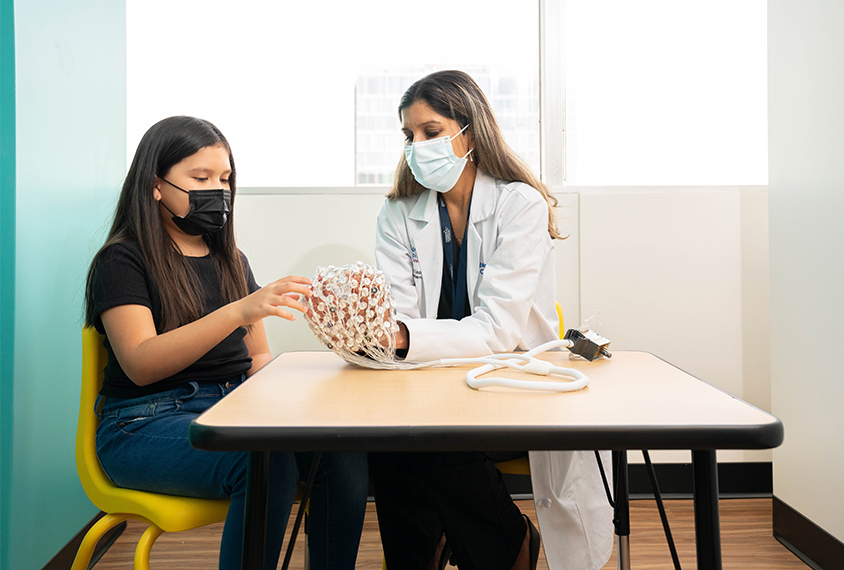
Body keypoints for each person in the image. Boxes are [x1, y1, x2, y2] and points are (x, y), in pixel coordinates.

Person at [83, 116, 368, 570]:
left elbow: (256, 359)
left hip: (232, 408)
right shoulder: (121, 259)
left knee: (339, 450)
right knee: (266, 463)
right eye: (200, 178)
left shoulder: (232, 260)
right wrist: (238, 311)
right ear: (155, 185)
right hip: (141, 424)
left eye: (225, 178)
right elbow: (140, 363)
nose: (218, 190)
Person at [369, 71, 614, 570]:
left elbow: (498, 330)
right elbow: (396, 317)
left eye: (431, 132)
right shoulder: (399, 214)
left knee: (439, 444)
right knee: (388, 445)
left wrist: (400, 335)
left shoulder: (518, 204)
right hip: (430, 381)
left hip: (514, 382)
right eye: (408, 135)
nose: (417, 146)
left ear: (470, 132)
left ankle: (509, 546)